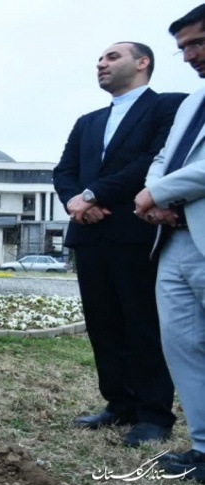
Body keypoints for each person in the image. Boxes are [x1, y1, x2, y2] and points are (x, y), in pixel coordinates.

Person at [53, 43, 184, 448]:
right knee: (103, 325)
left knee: (141, 324)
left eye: (112, 57)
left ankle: (153, 414)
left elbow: (152, 161)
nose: (101, 64)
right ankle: (119, 403)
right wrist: (78, 204)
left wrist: (93, 195)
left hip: (136, 232)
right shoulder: (88, 121)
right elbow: (65, 171)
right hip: (90, 235)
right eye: (99, 59)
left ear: (142, 62)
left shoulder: (167, 107)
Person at [134, 3, 205, 480]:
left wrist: (158, 191)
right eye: (182, 48)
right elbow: (164, 158)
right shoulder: (190, 103)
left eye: (197, 43)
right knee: (183, 344)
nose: (189, 56)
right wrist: (154, 198)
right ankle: (203, 448)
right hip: (175, 240)